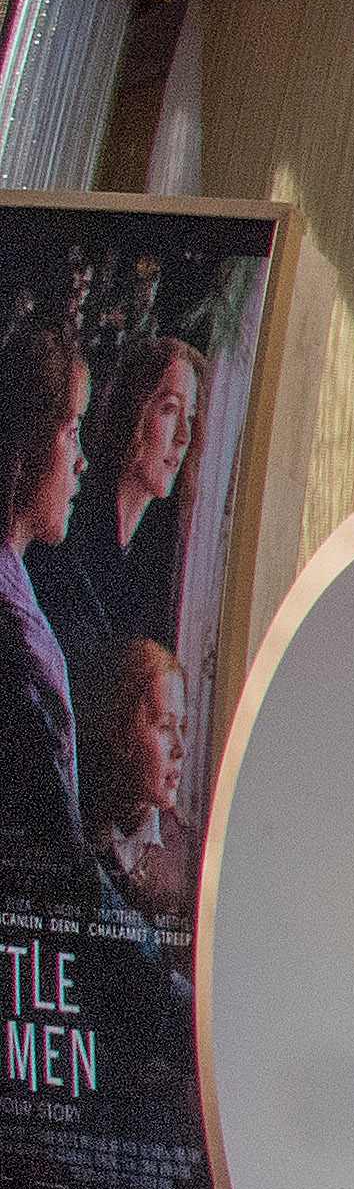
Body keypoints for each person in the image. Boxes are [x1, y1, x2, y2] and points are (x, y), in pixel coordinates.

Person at [0, 321, 93, 890]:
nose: (81, 462)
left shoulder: (24, 589)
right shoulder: (9, 626)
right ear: (33, 440)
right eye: (73, 431)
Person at [41, 335, 198, 669]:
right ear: (134, 411)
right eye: (170, 409)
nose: (184, 436)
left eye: (191, 416)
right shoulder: (71, 525)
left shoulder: (147, 564)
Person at [78, 636, 183, 919]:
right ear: (121, 731)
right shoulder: (75, 829)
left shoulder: (193, 855)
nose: (180, 749)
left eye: (182, 727)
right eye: (164, 726)